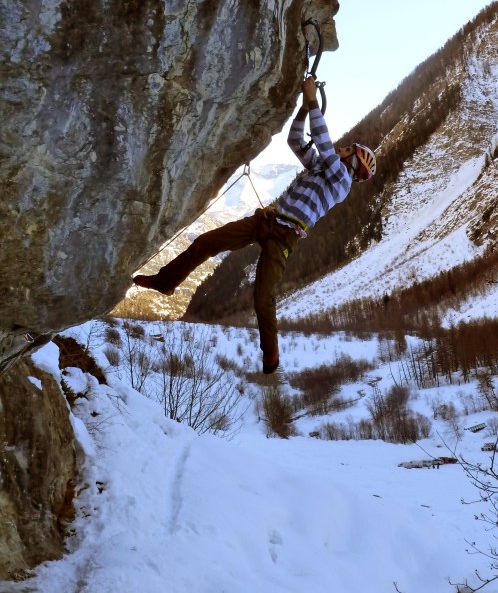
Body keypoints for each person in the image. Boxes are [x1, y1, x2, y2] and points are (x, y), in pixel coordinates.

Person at [133, 76, 376, 374]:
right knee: (206, 243)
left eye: (349, 150)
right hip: (267, 222)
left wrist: (312, 100)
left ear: (354, 163)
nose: (342, 149)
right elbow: (296, 141)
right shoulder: (321, 169)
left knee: (263, 297)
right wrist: (302, 109)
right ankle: (166, 281)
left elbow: (324, 144)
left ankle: (271, 353)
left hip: (283, 238)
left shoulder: (340, 181)